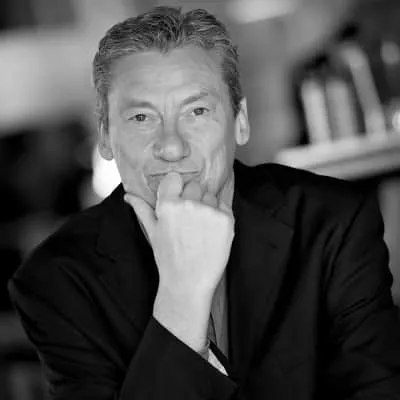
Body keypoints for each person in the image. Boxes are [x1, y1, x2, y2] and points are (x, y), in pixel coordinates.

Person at [8, 5, 400, 400]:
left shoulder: (333, 221)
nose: (172, 146)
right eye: (142, 118)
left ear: (240, 121)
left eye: (197, 111)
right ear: (106, 137)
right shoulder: (56, 279)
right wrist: (182, 299)